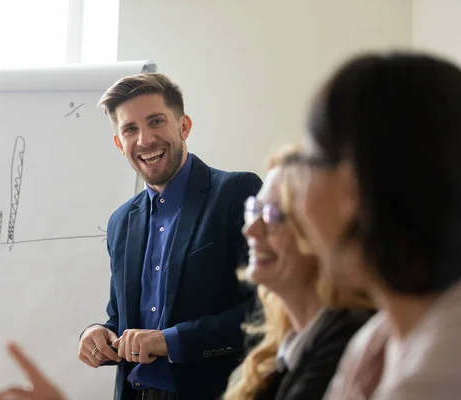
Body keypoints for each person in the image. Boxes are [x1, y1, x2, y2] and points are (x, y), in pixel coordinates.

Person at [75, 72, 262, 400]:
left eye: (156, 121)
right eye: (130, 129)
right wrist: (98, 333)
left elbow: (267, 310)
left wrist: (171, 340)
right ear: (120, 144)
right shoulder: (121, 222)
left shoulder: (237, 192)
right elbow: (119, 318)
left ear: (184, 126)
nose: (145, 140)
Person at [287, 52, 461, 399]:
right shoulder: (376, 343)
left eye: (305, 165)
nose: (297, 205)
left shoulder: (432, 381)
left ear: (352, 186)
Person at [222, 145, 373, 400]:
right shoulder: (286, 346)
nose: (251, 230)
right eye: (254, 210)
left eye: (272, 215)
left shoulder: (349, 345)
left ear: (323, 235)